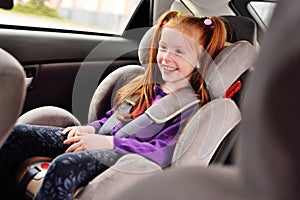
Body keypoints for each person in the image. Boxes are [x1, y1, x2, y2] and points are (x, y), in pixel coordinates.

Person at [0, 11, 227, 200]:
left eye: (179, 52)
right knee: (17, 134)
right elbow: (114, 118)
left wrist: (108, 143)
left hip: (125, 161)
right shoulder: (145, 85)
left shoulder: (191, 108)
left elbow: (163, 152)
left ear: (200, 60)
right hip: (99, 141)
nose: (166, 57)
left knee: (64, 165)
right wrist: (92, 129)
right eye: (164, 47)